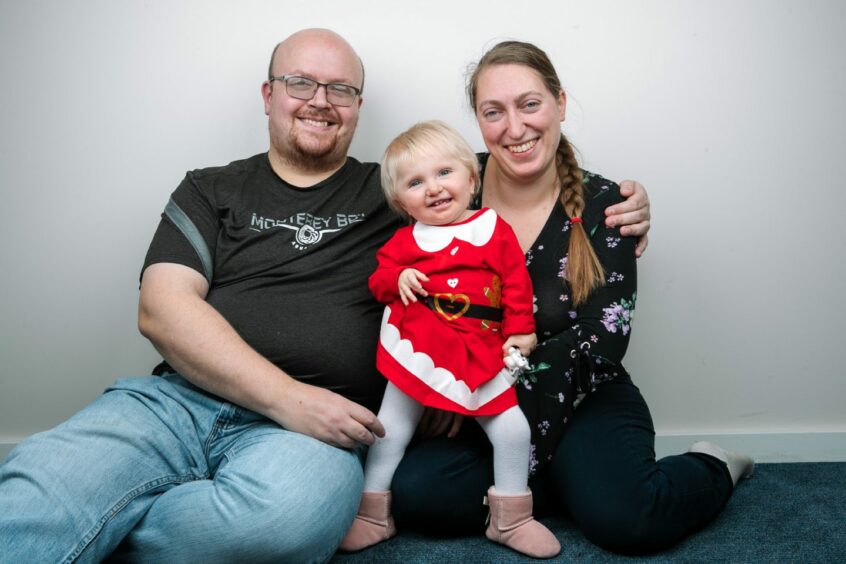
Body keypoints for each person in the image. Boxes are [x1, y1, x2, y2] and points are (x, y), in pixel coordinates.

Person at [0, 29, 650, 563]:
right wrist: (287, 396)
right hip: (178, 402)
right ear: (268, 94)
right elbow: (160, 308)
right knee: (38, 496)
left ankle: (112, 522)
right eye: (300, 84)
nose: (320, 100)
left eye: (341, 88)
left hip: (310, 434)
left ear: (359, 105)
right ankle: (103, 509)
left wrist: (625, 210)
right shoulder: (210, 187)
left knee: (290, 525)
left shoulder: (402, 190)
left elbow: (505, 195)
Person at [390, 40, 754, 556]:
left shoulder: (608, 205)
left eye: (530, 104)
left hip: (584, 395)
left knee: (630, 520)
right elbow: (409, 287)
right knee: (417, 494)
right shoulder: (447, 183)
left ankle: (711, 464)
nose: (514, 129)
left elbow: (602, 339)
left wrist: (474, 380)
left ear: (560, 103)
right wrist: (442, 383)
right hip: (479, 408)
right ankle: (568, 484)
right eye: (494, 112)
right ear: (478, 120)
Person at [340, 120, 559, 558]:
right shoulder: (406, 241)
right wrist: (397, 276)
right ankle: (371, 514)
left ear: (471, 177)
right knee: (392, 428)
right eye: (416, 182)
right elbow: (378, 282)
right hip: (419, 346)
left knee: (512, 429)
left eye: (444, 173)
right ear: (400, 200)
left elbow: (517, 284)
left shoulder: (493, 230)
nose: (434, 188)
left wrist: (520, 331)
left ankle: (511, 518)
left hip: (480, 352)